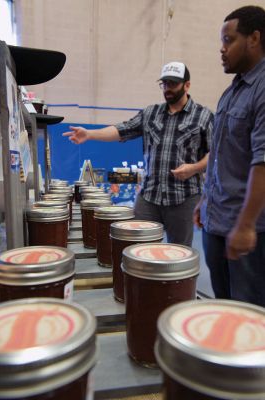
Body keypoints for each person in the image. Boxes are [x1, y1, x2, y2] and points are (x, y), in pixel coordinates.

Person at [64, 61, 213, 246]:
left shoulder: (204, 116)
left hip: (183, 198)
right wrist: (89, 134)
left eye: (173, 84)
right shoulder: (151, 113)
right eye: (165, 84)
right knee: (138, 247)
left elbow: (215, 154)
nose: (168, 88)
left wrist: (194, 168)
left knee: (178, 254)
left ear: (187, 85)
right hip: (149, 197)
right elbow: (121, 130)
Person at [194, 6, 265, 307]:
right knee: (223, 307)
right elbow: (222, 154)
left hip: (247, 230)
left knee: (248, 311)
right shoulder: (232, 92)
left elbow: (262, 163)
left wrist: (247, 224)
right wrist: (204, 200)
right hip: (217, 222)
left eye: (229, 39)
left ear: (254, 39)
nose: (222, 50)